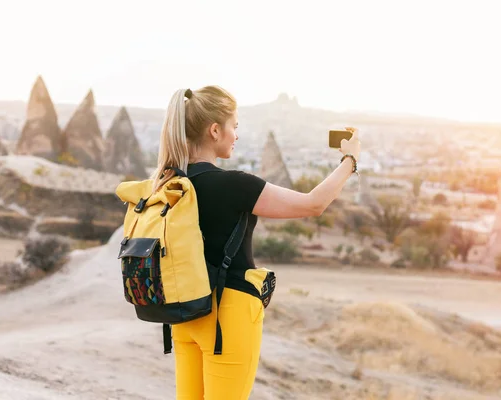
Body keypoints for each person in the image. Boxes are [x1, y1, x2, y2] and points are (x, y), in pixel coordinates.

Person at [150, 86, 361, 400]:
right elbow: (313, 204)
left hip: (184, 314)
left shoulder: (168, 182)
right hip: (228, 315)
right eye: (234, 126)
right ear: (214, 130)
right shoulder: (235, 185)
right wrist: (350, 160)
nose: (236, 135)